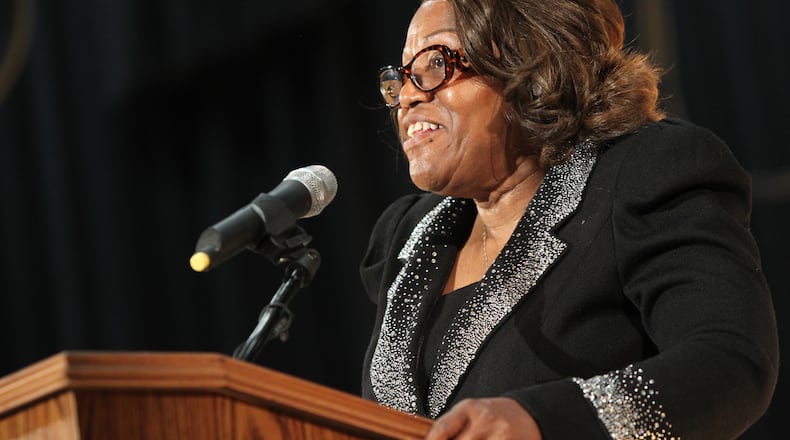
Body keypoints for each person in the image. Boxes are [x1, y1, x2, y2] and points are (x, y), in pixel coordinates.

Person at [359, 0, 780, 438]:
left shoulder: (641, 173)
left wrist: (546, 421)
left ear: (533, 63)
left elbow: (729, 364)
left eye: (435, 62)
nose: (407, 96)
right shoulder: (410, 237)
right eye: (401, 77)